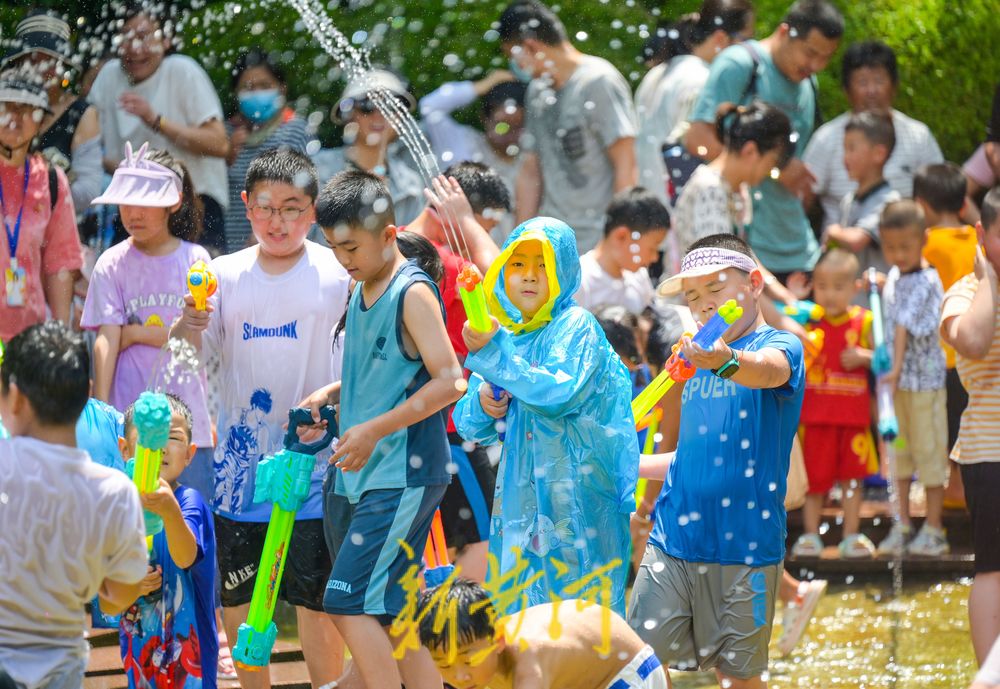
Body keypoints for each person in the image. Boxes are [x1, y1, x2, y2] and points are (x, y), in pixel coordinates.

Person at [170, 147, 348, 689]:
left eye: (293, 208)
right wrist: (188, 322)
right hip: (240, 471)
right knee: (242, 603)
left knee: (316, 607)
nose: (279, 221)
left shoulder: (338, 273)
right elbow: (189, 358)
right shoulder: (221, 275)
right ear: (245, 207)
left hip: (319, 466)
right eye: (266, 208)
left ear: (314, 211)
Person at [303, 169, 462, 689]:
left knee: (345, 600)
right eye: (334, 248)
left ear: (389, 234)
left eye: (351, 247)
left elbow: (449, 382)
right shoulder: (361, 288)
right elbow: (383, 374)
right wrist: (331, 397)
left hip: (403, 473)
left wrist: (372, 430)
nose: (344, 260)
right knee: (395, 615)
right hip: (364, 473)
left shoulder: (411, 292)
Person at [629, 233, 804, 688]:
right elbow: (692, 459)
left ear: (754, 283)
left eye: (715, 289)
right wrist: (630, 462)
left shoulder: (781, 346)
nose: (703, 305)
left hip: (746, 547)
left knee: (739, 678)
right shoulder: (692, 369)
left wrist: (724, 361)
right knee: (639, 663)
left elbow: (768, 370)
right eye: (692, 297)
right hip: (674, 539)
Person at [454, 217, 639, 616]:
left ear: (565, 272)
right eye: (518, 264)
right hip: (523, 498)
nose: (530, 277)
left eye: (544, 265)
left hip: (579, 494)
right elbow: (467, 422)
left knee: (581, 613)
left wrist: (494, 356)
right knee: (523, 611)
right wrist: (485, 399)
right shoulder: (509, 334)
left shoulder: (576, 326)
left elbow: (557, 392)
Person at [0, 321, 148, 689]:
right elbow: (118, 598)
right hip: (58, 664)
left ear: (14, 397)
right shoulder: (114, 491)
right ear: (87, 393)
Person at [81, 144, 214, 499]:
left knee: (187, 519)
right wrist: (105, 412)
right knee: (132, 526)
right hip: (130, 422)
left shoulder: (196, 259)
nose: (133, 214)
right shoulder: (111, 262)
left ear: (174, 201)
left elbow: (192, 341)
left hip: (186, 423)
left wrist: (136, 332)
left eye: (144, 203)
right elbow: (107, 339)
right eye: (126, 203)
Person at [685, 0, 844, 278]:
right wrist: (776, 168)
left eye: (826, 57)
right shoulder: (740, 64)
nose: (815, 65)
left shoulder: (809, 84)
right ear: (785, 32)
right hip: (747, 244)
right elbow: (697, 138)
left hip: (798, 247)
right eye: (810, 53)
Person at [88, 2, 229, 253]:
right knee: (129, 287)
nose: (134, 47)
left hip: (193, 204)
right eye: (126, 37)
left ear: (166, 40)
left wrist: (156, 121)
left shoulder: (182, 71)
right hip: (134, 205)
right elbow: (92, 147)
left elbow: (219, 144)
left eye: (143, 36)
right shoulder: (109, 77)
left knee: (198, 286)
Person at [499, 1, 638, 253]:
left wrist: (616, 239)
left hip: (597, 239)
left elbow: (626, 164)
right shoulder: (537, 92)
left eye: (513, 57)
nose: (515, 67)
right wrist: (518, 243)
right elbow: (530, 171)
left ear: (530, 46)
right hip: (552, 241)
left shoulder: (598, 82)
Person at [117, 394, 217, 689]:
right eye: (149, 437)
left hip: (191, 665)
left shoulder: (189, 503)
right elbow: (107, 599)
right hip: (141, 659)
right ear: (125, 449)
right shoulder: (118, 510)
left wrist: (169, 511)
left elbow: (186, 557)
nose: (159, 446)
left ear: (190, 453)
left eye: (172, 437)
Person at [940, 188, 1000, 666]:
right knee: (993, 571)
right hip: (989, 452)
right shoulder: (963, 291)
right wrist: (987, 279)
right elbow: (975, 341)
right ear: (981, 235)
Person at [418, 578, 672, 689]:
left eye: (468, 660)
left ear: (498, 640)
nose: (459, 676)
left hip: (630, 674)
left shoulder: (527, 663)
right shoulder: (482, 643)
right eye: (444, 665)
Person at [790, 249, 876, 558]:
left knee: (852, 479)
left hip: (853, 418)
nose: (829, 294)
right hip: (814, 418)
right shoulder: (807, 319)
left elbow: (887, 358)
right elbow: (778, 325)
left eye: (838, 287)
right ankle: (811, 535)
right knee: (814, 482)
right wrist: (793, 299)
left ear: (855, 287)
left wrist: (864, 357)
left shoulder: (865, 321)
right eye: (822, 286)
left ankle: (851, 535)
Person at [875, 199, 949, 557]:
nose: (898, 254)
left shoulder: (928, 280)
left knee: (930, 454)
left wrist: (894, 368)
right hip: (899, 387)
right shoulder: (894, 275)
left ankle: (934, 528)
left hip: (923, 385)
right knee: (900, 455)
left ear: (923, 240)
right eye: (890, 247)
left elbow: (903, 326)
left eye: (905, 246)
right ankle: (901, 524)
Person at [803, 40, 944, 229]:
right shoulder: (826, 138)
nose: (872, 91)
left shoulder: (918, 135)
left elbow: (940, 196)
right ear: (847, 91)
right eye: (862, 82)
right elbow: (801, 200)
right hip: (842, 250)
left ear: (894, 86)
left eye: (879, 80)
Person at [634, 0, 754, 206]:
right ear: (720, 38)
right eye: (745, 41)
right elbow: (696, 147)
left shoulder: (658, 71)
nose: (749, 51)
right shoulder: (702, 80)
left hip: (645, 202)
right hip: (676, 209)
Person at [0, 66, 83, 342]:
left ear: (41, 121)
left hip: (29, 339)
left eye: (27, 109)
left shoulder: (50, 180)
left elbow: (60, 263)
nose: (15, 117)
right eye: (7, 106)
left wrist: (59, 335)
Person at [914, 162, 979, 506]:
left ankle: (953, 488)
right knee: (966, 417)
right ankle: (962, 484)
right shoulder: (976, 237)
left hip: (940, 351)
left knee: (944, 421)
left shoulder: (927, 243)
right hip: (973, 346)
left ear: (922, 205)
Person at [1, 10, 103, 215]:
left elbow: (90, 192)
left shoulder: (81, 113)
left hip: (58, 225)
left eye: (50, 60)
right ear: (18, 62)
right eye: (33, 58)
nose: (41, 67)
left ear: (63, 65)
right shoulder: (2, 105)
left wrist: (33, 192)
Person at [225, 47, 315, 253]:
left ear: (281, 89)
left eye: (264, 86)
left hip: (276, 241)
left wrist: (261, 237)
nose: (256, 93)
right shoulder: (227, 133)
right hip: (229, 245)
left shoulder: (295, 129)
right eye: (248, 88)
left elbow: (297, 189)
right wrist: (227, 152)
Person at [672, 102, 792, 253]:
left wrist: (769, 278)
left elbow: (743, 257)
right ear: (750, 152)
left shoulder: (739, 188)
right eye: (772, 161)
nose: (771, 170)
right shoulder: (709, 189)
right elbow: (718, 263)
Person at [419, 71, 526, 241]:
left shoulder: (529, 163)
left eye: (519, 126)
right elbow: (430, 107)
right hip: (455, 254)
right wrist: (483, 85)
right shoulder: (461, 143)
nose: (512, 135)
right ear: (484, 118)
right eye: (503, 127)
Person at [313, 69, 425, 226]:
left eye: (390, 106)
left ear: (400, 115)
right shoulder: (317, 170)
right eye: (367, 105)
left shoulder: (411, 184)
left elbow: (413, 246)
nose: (379, 115)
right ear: (349, 113)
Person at [822, 110, 900, 275]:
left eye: (851, 148)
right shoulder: (849, 200)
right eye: (844, 149)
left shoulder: (889, 202)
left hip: (875, 297)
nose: (845, 157)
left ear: (878, 153)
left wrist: (833, 232)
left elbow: (857, 240)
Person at [576, 187, 670, 315]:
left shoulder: (638, 277)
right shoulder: (581, 283)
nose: (655, 258)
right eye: (652, 248)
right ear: (622, 236)